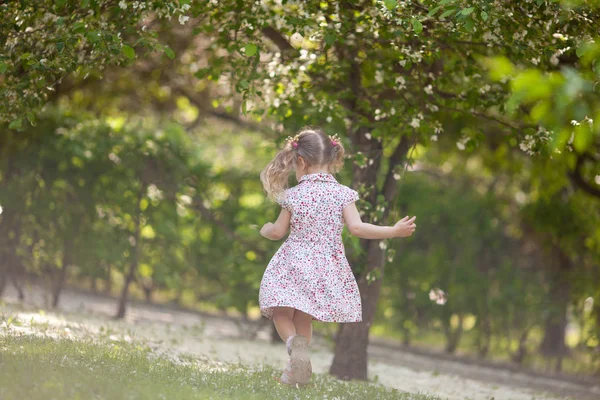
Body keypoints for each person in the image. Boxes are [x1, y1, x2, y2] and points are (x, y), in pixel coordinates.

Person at [258, 127, 416, 385]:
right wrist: (394, 231)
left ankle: (293, 348)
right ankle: (295, 369)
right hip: (325, 266)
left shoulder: (293, 196)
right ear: (332, 160)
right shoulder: (343, 194)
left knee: (281, 312)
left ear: (301, 161)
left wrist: (265, 229)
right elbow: (357, 228)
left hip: (293, 262)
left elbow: (277, 232)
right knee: (304, 316)